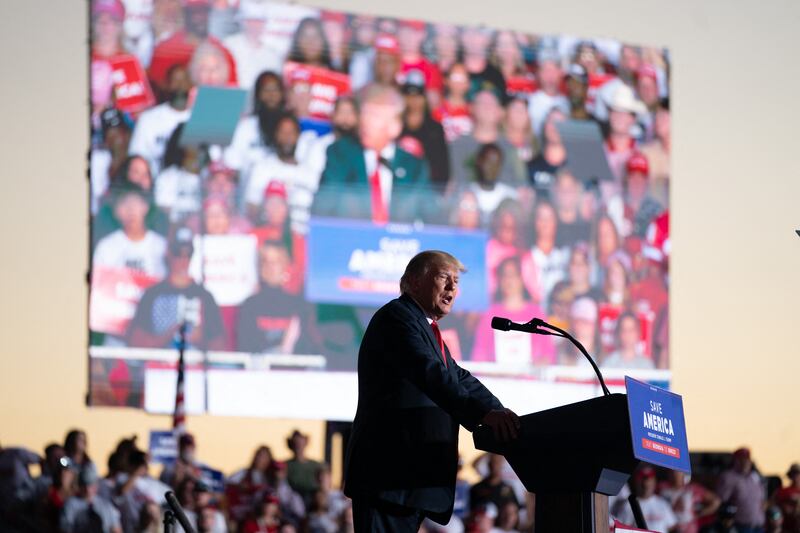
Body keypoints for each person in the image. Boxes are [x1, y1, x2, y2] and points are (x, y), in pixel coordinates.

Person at [344, 250, 520, 532]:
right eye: (442, 277)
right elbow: (431, 374)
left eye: (456, 281)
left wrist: (499, 412)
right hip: (388, 476)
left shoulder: (425, 328)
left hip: (409, 480)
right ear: (414, 282)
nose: (452, 287)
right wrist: (484, 414)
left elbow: (458, 377)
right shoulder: (397, 319)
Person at [313, 83, 431, 224]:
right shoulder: (340, 154)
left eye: (374, 116)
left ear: (395, 127)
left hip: (397, 244)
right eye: (364, 114)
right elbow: (321, 208)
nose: (365, 122)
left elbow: (433, 216)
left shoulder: (414, 167)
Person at [126, 227, 226, 350]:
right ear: (169, 254)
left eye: (188, 254)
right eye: (178, 253)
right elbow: (135, 342)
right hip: (159, 366)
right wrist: (168, 335)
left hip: (194, 365)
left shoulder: (205, 296)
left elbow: (220, 346)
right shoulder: (152, 294)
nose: (183, 260)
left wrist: (200, 339)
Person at [237, 240, 317, 354]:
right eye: (265, 262)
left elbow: (306, 348)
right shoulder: (249, 305)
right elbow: (246, 347)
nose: (270, 267)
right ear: (260, 267)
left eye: (276, 262)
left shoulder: (298, 305)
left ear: (286, 265)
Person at [471, 256, 554, 364]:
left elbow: (549, 352)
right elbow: (479, 354)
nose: (508, 280)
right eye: (504, 275)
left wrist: (542, 362)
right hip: (497, 379)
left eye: (513, 275)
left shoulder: (536, 314)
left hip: (529, 380)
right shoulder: (490, 315)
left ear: (521, 278)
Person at [246, 113, 319, 234]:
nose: (287, 137)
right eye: (283, 132)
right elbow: (251, 207)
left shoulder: (309, 174)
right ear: (276, 135)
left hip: (304, 235)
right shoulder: (262, 168)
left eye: (291, 133)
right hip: (271, 236)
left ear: (298, 136)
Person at [147, 0, 237, 92]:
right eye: (194, 12)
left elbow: (232, 96)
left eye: (203, 11)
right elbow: (154, 91)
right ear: (185, 14)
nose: (200, 17)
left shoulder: (223, 52)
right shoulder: (165, 50)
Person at [449, 89, 526, 190]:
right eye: (482, 103)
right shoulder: (457, 146)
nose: (487, 108)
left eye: (492, 104)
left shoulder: (511, 148)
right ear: (472, 108)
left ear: (500, 112)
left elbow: (523, 188)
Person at [92, 180, 168, 280]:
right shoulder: (105, 247)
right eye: (124, 203)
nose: (130, 209)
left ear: (145, 207)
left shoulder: (161, 246)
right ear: (116, 212)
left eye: (135, 202)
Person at [129, 64, 193, 178]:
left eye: (184, 80)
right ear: (167, 85)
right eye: (175, 80)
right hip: (155, 181)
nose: (180, 85)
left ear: (191, 85)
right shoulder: (148, 119)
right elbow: (138, 157)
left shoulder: (200, 118)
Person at [399, 69, 450, 188]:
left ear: (424, 98)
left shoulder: (435, 129)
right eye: (409, 96)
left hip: (427, 191)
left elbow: (442, 167)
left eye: (417, 96)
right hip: (400, 188)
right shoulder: (396, 127)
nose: (413, 101)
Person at [223, 1, 284, 90]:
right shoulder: (229, 45)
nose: (255, 25)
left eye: (258, 21)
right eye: (250, 21)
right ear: (243, 22)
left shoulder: (272, 55)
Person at [612, 466, 678, 533]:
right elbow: (622, 528)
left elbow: (672, 527)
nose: (646, 483)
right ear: (636, 482)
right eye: (643, 480)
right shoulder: (628, 504)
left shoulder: (663, 503)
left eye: (649, 479)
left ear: (654, 481)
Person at [717, 448, 767, 533]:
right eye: (741, 459)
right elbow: (721, 500)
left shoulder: (755, 477)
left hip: (758, 526)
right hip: (739, 526)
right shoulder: (728, 477)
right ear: (735, 461)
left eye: (747, 459)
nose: (745, 462)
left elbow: (762, 499)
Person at [60, 467, 122, 533]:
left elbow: (116, 529)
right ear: (79, 486)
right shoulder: (70, 505)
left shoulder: (106, 505)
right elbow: (64, 529)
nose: (87, 489)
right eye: (84, 485)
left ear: (96, 485)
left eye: (90, 485)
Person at [469, 144, 519, 225]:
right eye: (488, 162)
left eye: (496, 164)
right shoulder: (467, 194)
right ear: (479, 162)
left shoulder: (510, 195)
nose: (492, 168)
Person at [527, 50, 569, 138]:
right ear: (538, 74)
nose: (549, 76)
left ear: (560, 73)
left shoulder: (568, 103)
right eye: (546, 71)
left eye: (553, 71)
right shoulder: (530, 102)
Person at [434, 64, 474, 143]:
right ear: (446, 80)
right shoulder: (437, 110)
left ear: (468, 83)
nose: (459, 83)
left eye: (463, 78)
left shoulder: (474, 111)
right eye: (455, 77)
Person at [285, 430, 323, 507]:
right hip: (292, 501)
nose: (298, 446)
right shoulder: (286, 465)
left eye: (300, 442)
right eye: (295, 443)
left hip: (313, 500)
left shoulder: (316, 465)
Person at [773, 463, 800, 533]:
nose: (796, 476)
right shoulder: (782, 491)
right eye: (794, 474)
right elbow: (774, 506)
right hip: (785, 527)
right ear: (790, 476)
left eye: (798, 474)